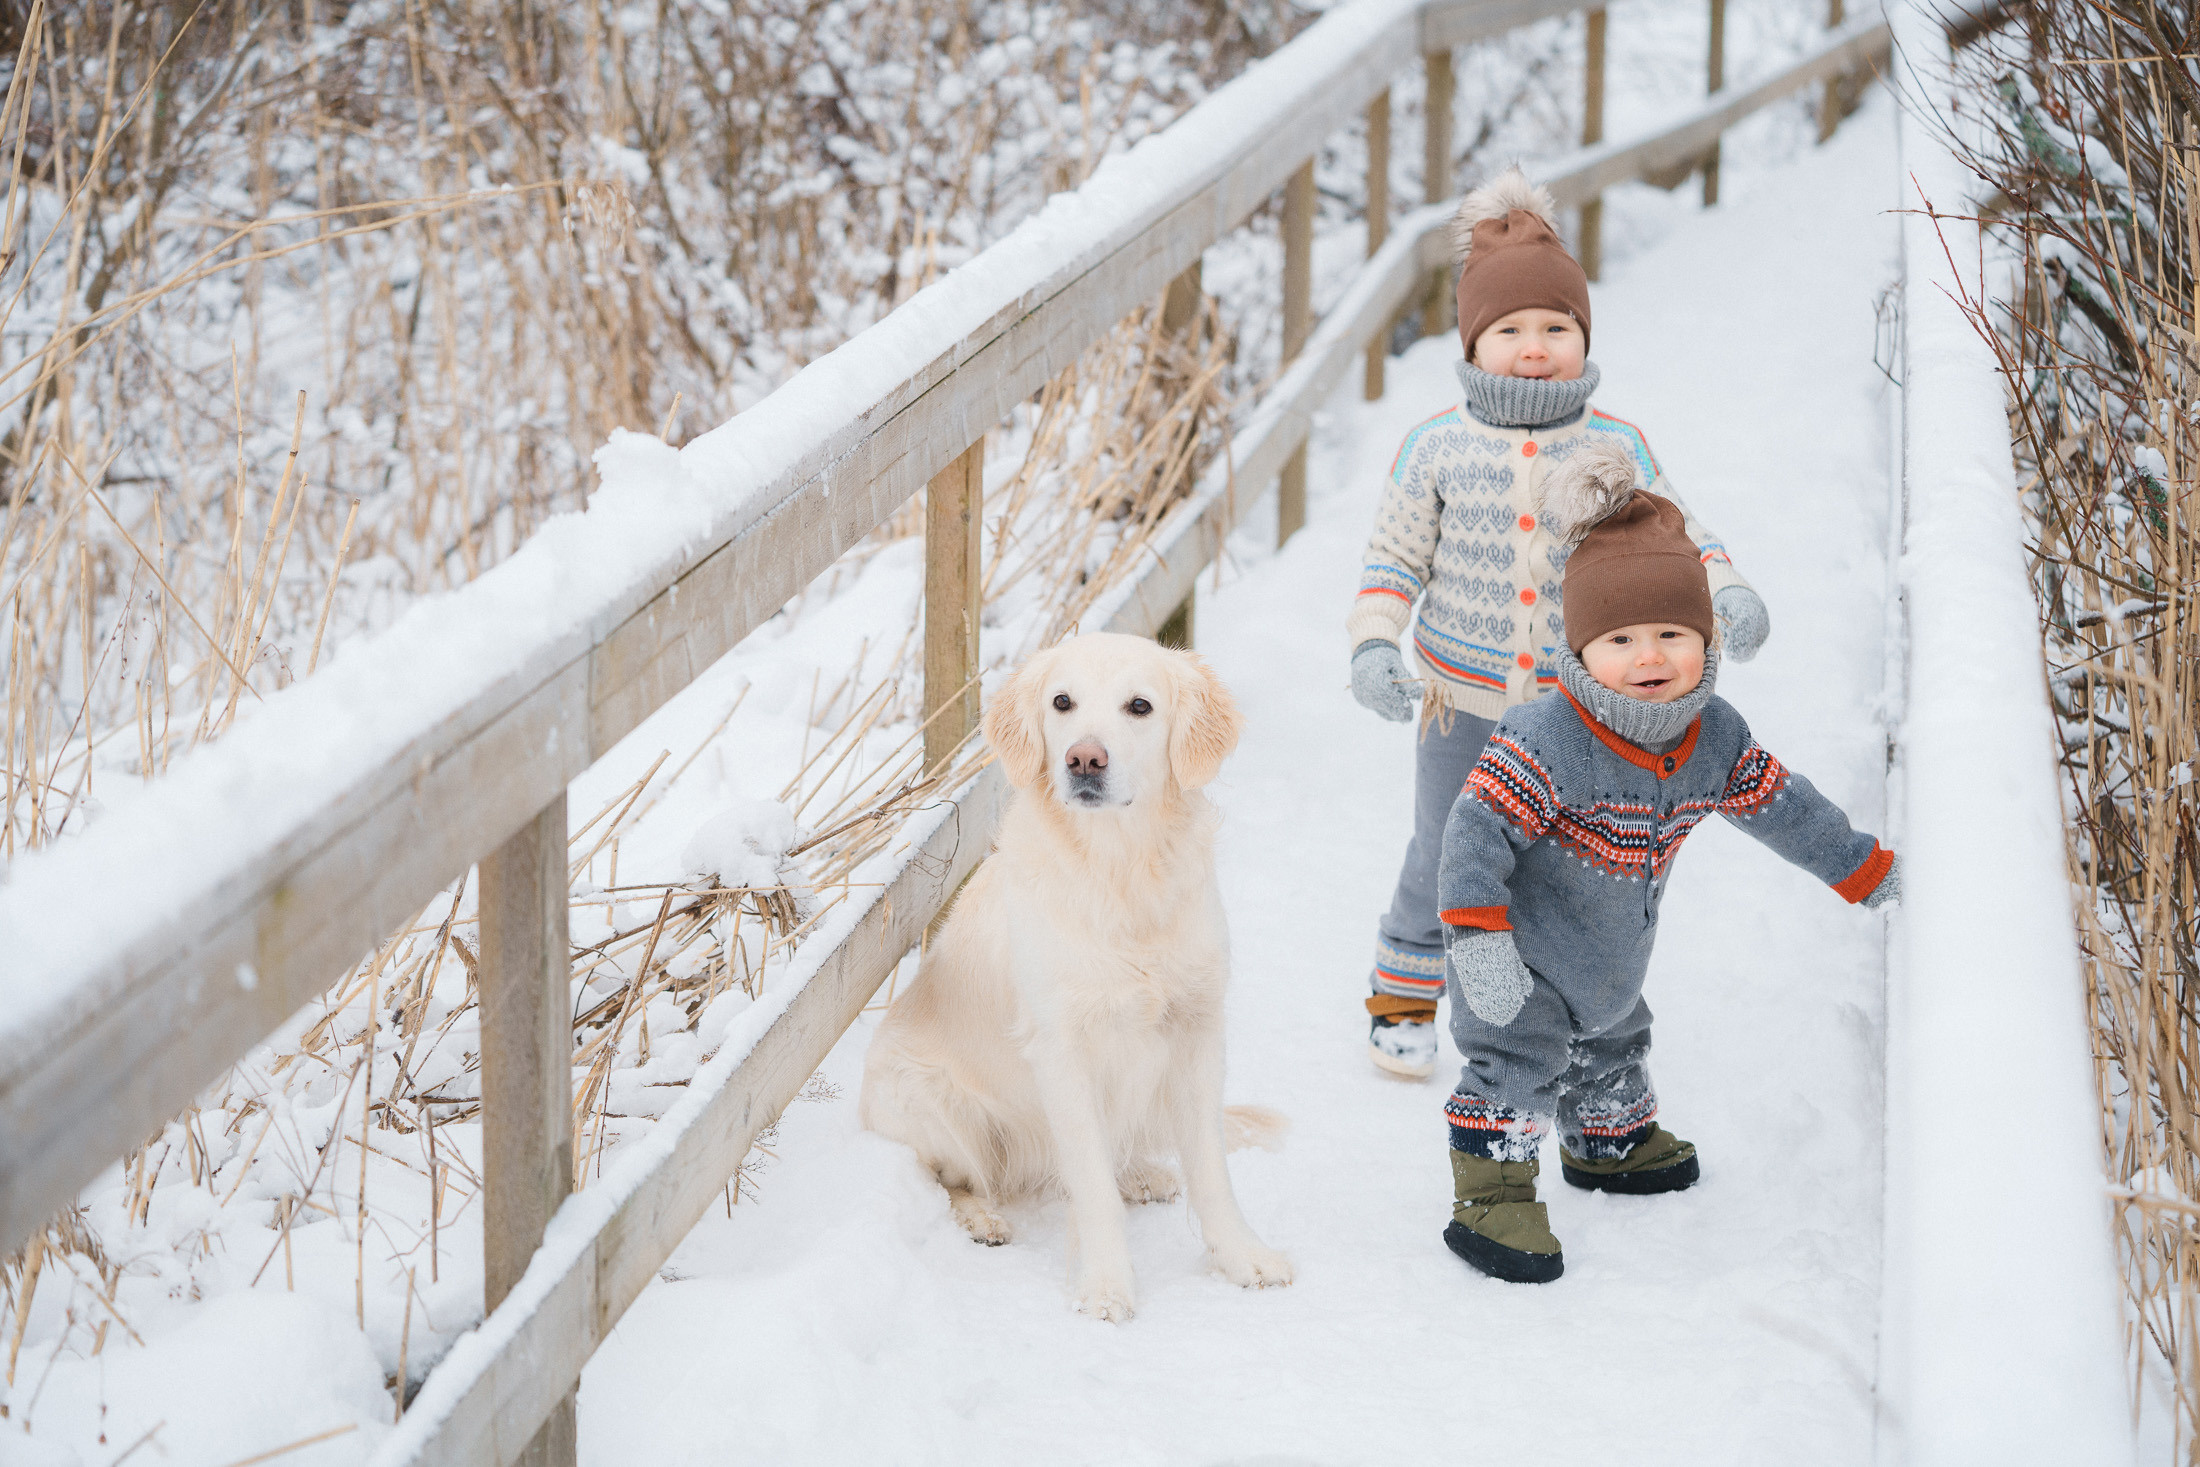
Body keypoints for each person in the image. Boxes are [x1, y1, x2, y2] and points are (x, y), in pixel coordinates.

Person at [1432, 439, 1898, 1283]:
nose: (1650, 657)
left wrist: (1860, 868)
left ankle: (1608, 1136)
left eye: (1672, 633)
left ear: (1705, 637)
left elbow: (1784, 806)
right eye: (1621, 637)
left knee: (1615, 1028)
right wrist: (1476, 937)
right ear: (1580, 649)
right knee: (1517, 1060)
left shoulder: (1712, 735)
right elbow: (1474, 833)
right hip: (1516, 959)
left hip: (1609, 954)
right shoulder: (1546, 739)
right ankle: (1494, 1189)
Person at [1349, 166, 1770, 1079]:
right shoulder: (1435, 447)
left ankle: (1544, 998)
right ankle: (1404, 982)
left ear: (1582, 336)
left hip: (1578, 709)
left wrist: (1722, 584)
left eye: (1555, 328)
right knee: (1448, 841)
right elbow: (1392, 562)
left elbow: (1677, 530)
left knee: (1559, 861)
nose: (1534, 347)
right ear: (1473, 341)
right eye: (1509, 330)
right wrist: (1376, 643)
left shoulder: (1613, 446)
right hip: (1460, 703)